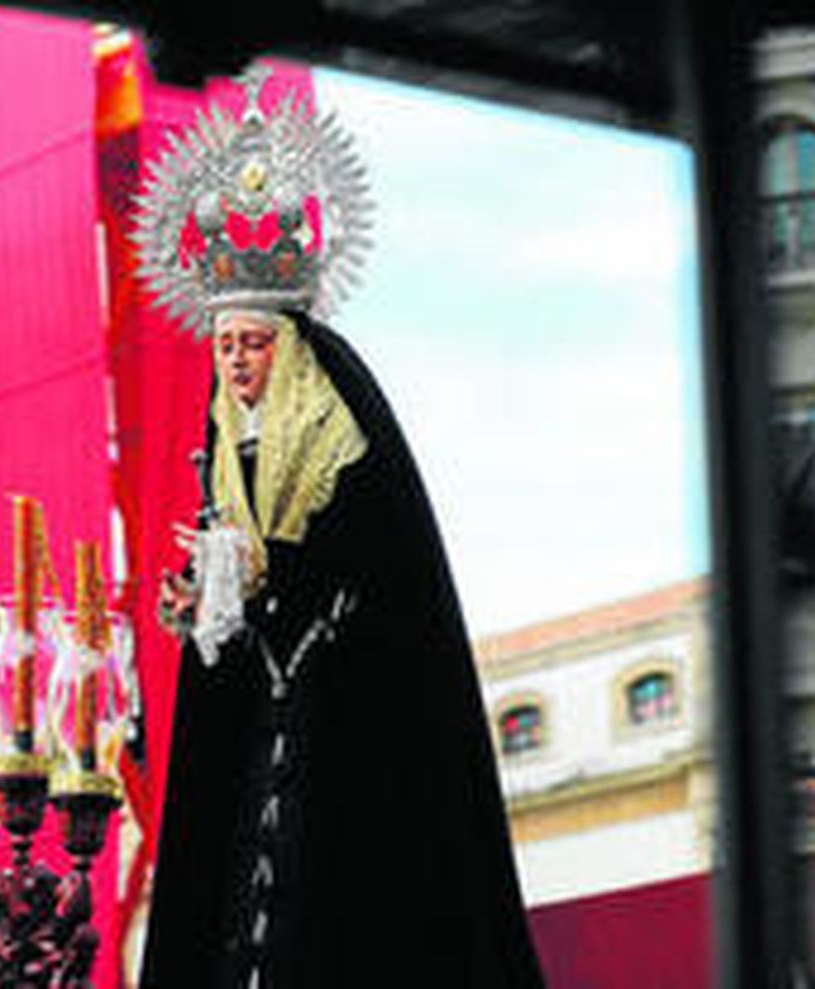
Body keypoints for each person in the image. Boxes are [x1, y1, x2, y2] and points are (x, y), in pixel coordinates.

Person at [133, 66, 544, 988]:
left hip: (351, 731)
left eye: (254, 344)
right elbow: (231, 628)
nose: (237, 363)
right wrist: (202, 600)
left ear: (289, 347)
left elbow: (371, 567)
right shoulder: (223, 460)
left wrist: (261, 566)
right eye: (226, 345)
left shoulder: (345, 436)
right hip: (259, 746)